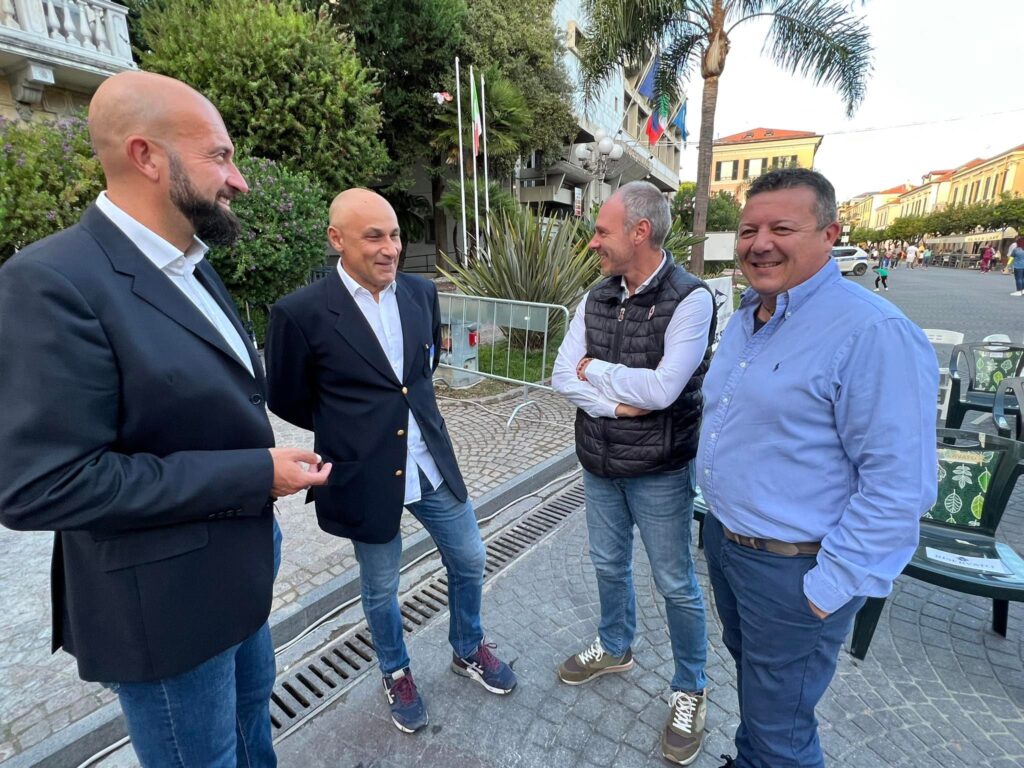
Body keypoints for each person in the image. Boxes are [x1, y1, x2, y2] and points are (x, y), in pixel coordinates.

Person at [0, 72, 331, 767]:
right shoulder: (50, 282)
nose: (238, 180)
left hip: (240, 573)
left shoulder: (190, 261)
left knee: (253, 731)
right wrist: (254, 474)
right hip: (166, 610)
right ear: (146, 156)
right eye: (219, 156)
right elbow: (42, 485)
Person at [698, 168, 937, 768]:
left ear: (830, 235)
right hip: (731, 548)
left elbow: (899, 486)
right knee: (761, 693)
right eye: (748, 230)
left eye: (782, 228)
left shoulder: (872, 331)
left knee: (783, 728)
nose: (760, 244)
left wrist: (826, 591)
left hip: (795, 570)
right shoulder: (747, 317)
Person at [265, 189, 516, 735]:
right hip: (363, 474)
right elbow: (286, 396)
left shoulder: (422, 293)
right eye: (374, 236)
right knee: (381, 586)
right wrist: (350, 427)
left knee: (469, 557)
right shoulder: (300, 313)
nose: (390, 248)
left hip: (429, 462)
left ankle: (467, 646)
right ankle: (395, 670)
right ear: (336, 239)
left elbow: (424, 369)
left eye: (396, 235)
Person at [551, 181, 715, 766]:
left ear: (639, 232)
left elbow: (665, 389)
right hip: (599, 461)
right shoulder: (595, 296)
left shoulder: (691, 299)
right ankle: (616, 645)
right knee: (606, 563)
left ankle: (690, 687)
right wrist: (619, 406)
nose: (593, 241)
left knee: (675, 583)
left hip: (659, 470)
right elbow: (561, 376)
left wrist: (595, 370)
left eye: (602, 231)